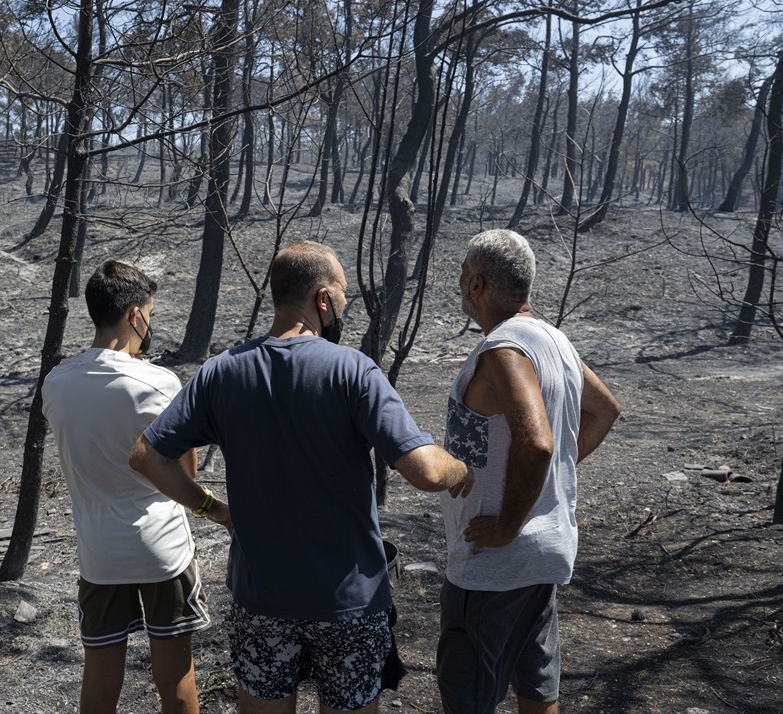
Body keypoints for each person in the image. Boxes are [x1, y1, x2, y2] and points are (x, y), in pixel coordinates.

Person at [130, 240, 473, 714]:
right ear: (322, 299)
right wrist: (462, 467)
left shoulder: (222, 372)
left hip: (261, 598)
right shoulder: (354, 371)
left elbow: (146, 456)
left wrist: (214, 509)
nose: (345, 305)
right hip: (349, 601)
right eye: (343, 294)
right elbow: (429, 472)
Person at [437, 229, 621, 714]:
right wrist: (548, 478)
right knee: (537, 690)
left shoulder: (504, 350)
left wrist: (507, 525)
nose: (460, 285)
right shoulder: (555, 340)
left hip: (494, 566)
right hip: (541, 553)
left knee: (468, 698)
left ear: (477, 283)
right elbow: (604, 411)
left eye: (463, 275)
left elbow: (537, 444)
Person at [41, 260, 210, 714]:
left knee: (99, 682)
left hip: (99, 553)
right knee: (175, 680)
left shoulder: (56, 384)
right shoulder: (159, 382)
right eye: (149, 315)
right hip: (162, 549)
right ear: (135, 316)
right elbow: (186, 475)